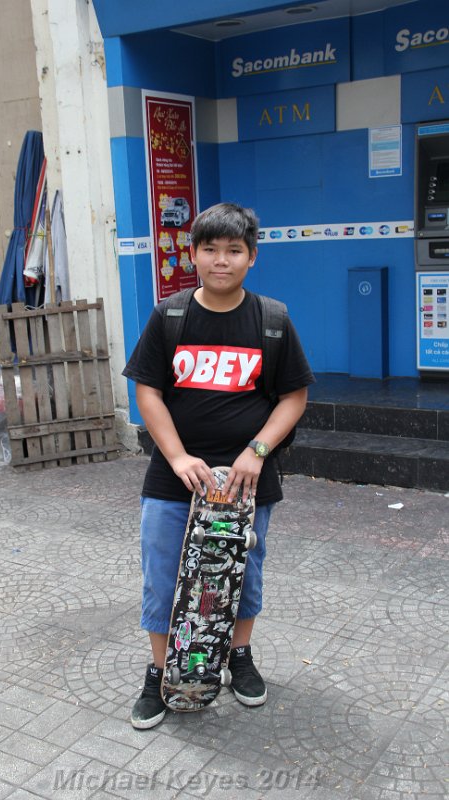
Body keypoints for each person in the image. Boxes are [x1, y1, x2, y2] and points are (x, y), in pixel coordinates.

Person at [123, 202, 315, 729]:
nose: (221, 260)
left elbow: (293, 397)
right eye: (210, 249)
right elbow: (148, 392)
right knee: (163, 577)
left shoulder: (272, 320)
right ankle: (161, 671)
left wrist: (256, 452)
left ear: (252, 257)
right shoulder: (171, 316)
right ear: (193, 254)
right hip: (174, 478)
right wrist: (179, 455)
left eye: (234, 250)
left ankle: (238, 657)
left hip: (246, 483)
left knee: (241, 573)